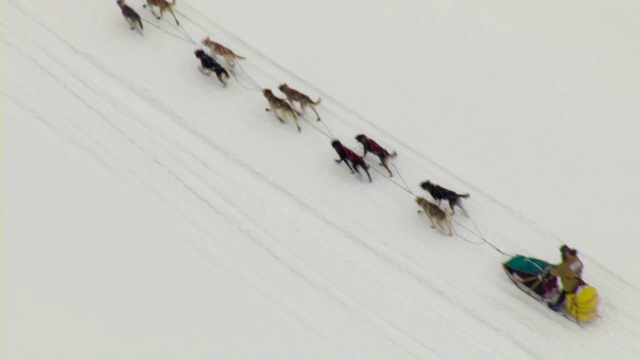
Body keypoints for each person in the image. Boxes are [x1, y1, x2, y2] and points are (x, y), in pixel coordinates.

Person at [548, 245, 583, 311]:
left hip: (570, 284)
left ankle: (557, 306)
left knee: (565, 291)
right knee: (567, 290)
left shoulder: (566, 264)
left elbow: (558, 272)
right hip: (577, 281)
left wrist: (551, 270)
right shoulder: (575, 258)